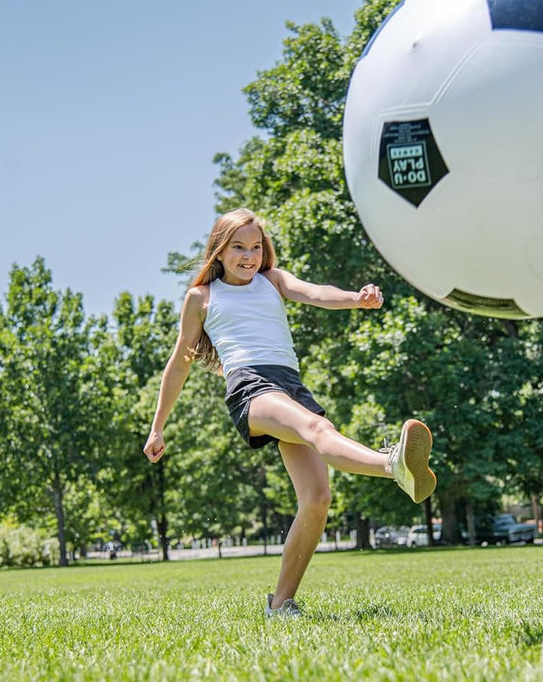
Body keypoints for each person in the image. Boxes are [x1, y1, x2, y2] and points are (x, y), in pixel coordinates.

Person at [143, 208, 436, 618]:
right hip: (250, 387)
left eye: (256, 247)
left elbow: (315, 293)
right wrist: (157, 428)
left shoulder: (272, 281)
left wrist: (356, 298)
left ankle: (280, 605)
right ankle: (392, 463)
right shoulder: (202, 298)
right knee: (317, 426)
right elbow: (179, 364)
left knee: (317, 498)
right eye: (238, 248)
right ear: (219, 251)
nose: (249, 256)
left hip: (290, 383)